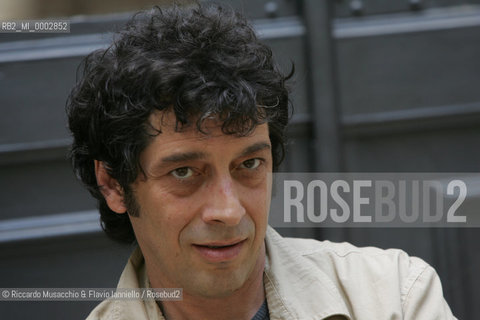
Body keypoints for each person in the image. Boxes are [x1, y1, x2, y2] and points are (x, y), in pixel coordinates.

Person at [66, 3, 457, 320]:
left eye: (249, 164)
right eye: (184, 172)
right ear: (114, 184)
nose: (230, 211)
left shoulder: (395, 297)